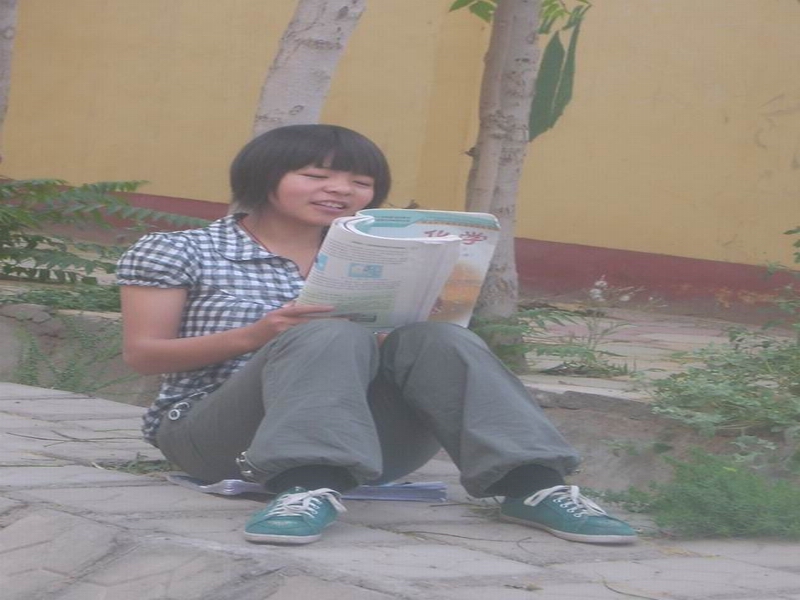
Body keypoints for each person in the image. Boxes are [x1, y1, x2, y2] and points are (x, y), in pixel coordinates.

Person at [117, 124, 636, 546]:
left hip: (364, 441)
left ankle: (533, 486)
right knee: (327, 335)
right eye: (316, 175)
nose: (341, 190)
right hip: (216, 435)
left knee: (440, 339)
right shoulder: (182, 250)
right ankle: (303, 487)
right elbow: (143, 355)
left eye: (359, 182)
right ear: (262, 178)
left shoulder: (387, 253)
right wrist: (257, 335)